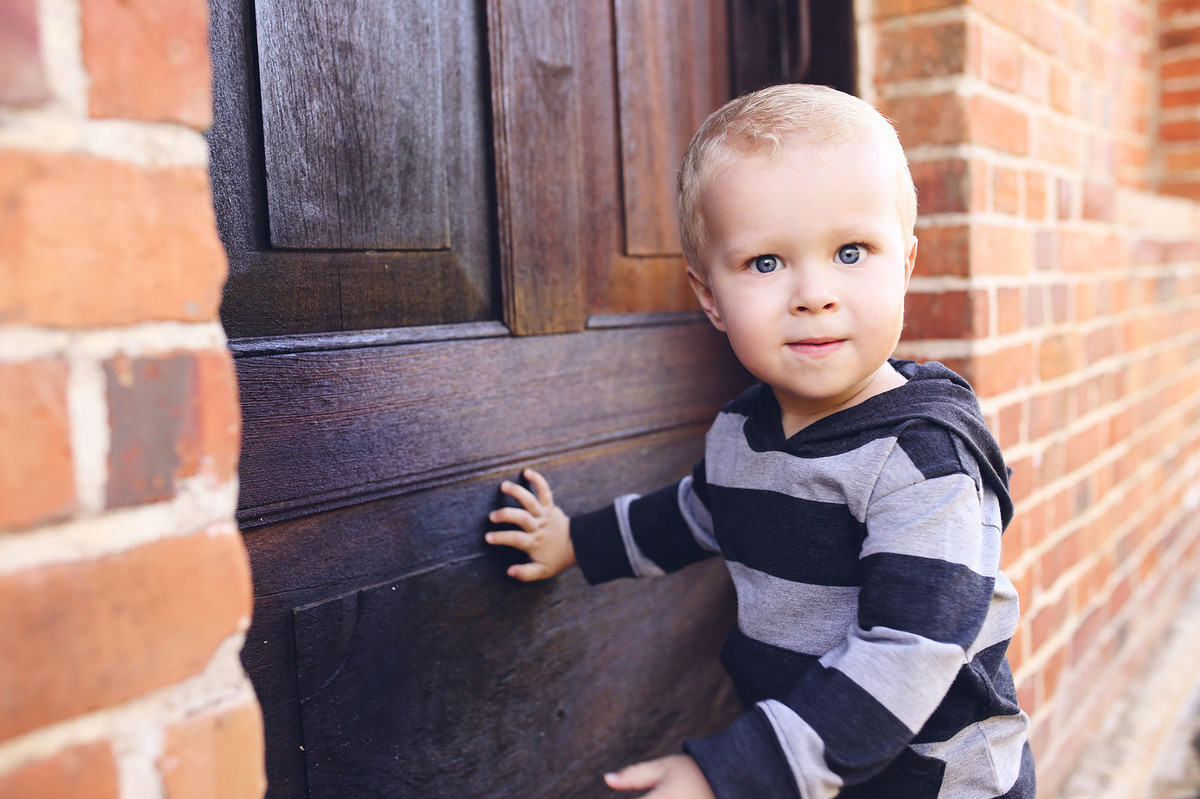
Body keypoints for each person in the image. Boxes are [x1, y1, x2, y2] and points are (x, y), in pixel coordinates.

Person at [485, 83, 1035, 799]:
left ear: (904, 264)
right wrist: (573, 541)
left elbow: (910, 655)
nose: (814, 292)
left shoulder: (924, 459)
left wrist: (735, 773)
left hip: (933, 779)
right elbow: (693, 513)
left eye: (851, 251)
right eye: (766, 263)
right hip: (811, 761)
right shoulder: (743, 432)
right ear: (709, 295)